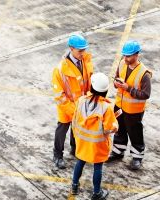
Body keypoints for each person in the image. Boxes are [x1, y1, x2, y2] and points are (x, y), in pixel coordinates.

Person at [70, 72, 118, 200]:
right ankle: (97, 193)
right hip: (98, 144)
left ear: (91, 87)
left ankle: (74, 185)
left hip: (82, 141)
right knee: (98, 167)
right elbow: (109, 129)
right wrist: (115, 124)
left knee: (80, 162)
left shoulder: (81, 101)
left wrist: (76, 137)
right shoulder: (106, 107)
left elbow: (74, 120)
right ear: (105, 90)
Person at [107, 40, 152, 170]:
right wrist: (116, 84)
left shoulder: (144, 74)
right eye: (124, 55)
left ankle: (137, 156)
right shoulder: (122, 63)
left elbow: (145, 94)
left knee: (135, 133)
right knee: (119, 130)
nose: (125, 58)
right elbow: (116, 77)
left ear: (137, 55)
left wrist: (127, 88)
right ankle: (118, 151)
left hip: (134, 111)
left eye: (128, 56)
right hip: (119, 106)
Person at [51, 34, 94, 169]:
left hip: (81, 104)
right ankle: (57, 155)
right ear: (71, 48)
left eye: (84, 50)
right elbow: (59, 96)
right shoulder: (60, 70)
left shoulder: (85, 61)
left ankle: (74, 148)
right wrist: (73, 110)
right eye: (80, 51)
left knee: (77, 128)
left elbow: (88, 81)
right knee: (62, 129)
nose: (83, 53)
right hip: (67, 107)